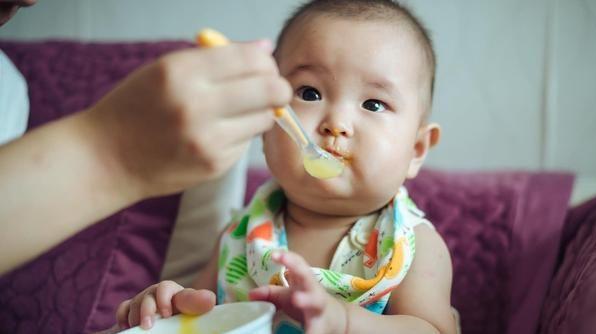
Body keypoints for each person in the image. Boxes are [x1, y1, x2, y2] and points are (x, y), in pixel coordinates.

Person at [116, 0, 458, 333]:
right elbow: (203, 316)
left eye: (373, 103)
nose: (336, 123)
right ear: (267, 127)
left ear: (416, 149)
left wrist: (344, 322)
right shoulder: (241, 234)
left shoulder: (413, 245)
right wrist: (169, 307)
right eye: (309, 93)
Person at [0, 0, 292, 276]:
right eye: (310, 93)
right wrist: (112, 154)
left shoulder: (8, 88)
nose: (31, 2)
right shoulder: (243, 232)